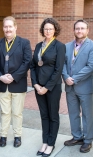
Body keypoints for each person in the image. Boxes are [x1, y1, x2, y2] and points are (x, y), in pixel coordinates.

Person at [0, 16, 32, 148]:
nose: (8, 29)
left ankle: (17, 136)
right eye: (6, 27)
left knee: (17, 112)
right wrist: (0, 77)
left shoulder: (24, 43)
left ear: (15, 27)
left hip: (17, 83)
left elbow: (27, 62)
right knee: (4, 112)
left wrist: (13, 76)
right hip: (2, 84)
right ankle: (3, 136)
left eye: (10, 26)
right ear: (3, 28)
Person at [62, 19, 93, 153]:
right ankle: (77, 137)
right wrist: (66, 77)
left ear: (87, 30)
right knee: (73, 113)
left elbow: (91, 67)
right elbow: (63, 64)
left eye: (82, 28)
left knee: (87, 115)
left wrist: (74, 79)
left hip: (85, 87)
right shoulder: (66, 46)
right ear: (74, 30)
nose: (79, 31)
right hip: (69, 87)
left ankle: (88, 140)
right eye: (77, 28)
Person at [30, 18, 65, 157]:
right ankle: (44, 141)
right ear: (42, 30)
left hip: (52, 88)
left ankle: (51, 144)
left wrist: (47, 87)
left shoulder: (59, 46)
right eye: (45, 29)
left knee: (53, 116)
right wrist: (36, 84)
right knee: (44, 115)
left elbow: (59, 69)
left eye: (50, 29)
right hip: (39, 87)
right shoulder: (39, 45)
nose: (48, 31)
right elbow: (33, 66)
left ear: (55, 30)